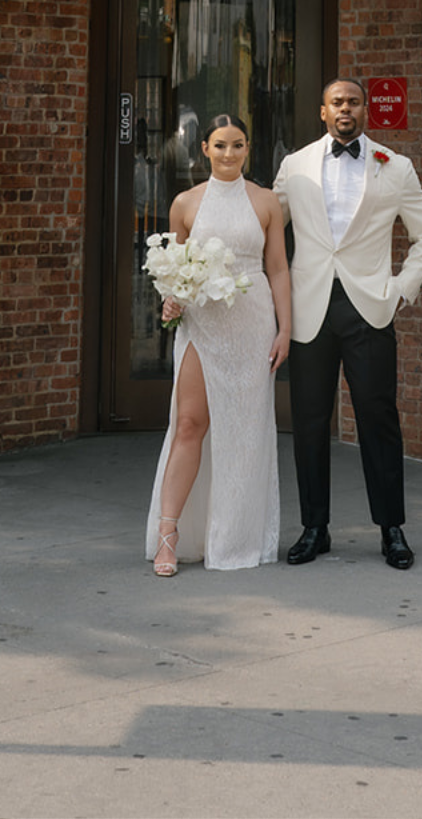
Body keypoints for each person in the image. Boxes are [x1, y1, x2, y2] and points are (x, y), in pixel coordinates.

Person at [271, 78, 422, 570]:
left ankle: (392, 529)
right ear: (321, 111)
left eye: (353, 102)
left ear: (365, 110)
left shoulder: (396, 166)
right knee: (308, 422)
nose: (345, 109)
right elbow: (270, 230)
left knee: (378, 419)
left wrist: (400, 288)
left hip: (370, 308)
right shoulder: (295, 165)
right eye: (336, 103)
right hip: (309, 310)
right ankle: (314, 527)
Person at [145, 113, 292, 576]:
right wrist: (171, 302)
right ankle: (169, 537)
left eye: (238, 145)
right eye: (221, 145)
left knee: (244, 432)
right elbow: (173, 266)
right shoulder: (185, 203)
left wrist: (284, 329)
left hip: (251, 323)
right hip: (202, 325)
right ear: (204, 149)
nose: (230, 154)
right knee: (189, 424)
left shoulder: (267, 202)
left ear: (248, 149)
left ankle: (235, 536)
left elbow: (279, 269)